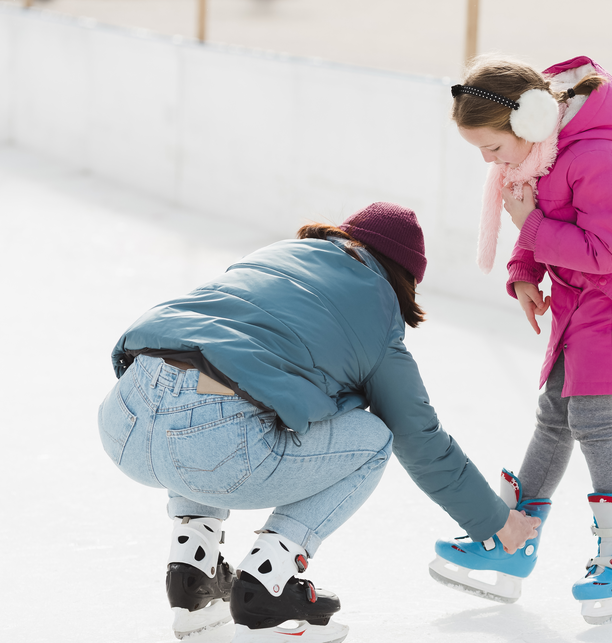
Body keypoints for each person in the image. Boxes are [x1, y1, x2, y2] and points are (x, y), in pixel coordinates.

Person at [97, 202, 540, 643]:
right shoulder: (378, 312)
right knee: (371, 438)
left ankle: (193, 577)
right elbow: (420, 439)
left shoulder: (279, 253)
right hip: (213, 440)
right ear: (404, 279)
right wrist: (496, 522)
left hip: (125, 416)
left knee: (213, 385)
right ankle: (267, 585)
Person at [429, 56, 612, 625]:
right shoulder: (539, 155)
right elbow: (544, 223)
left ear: (527, 122)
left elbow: (602, 252)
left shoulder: (598, 156)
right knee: (554, 416)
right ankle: (511, 538)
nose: (488, 162)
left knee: (592, 420)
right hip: (583, 306)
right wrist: (522, 271)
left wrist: (528, 228)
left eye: (491, 149)